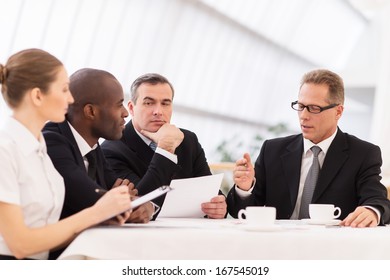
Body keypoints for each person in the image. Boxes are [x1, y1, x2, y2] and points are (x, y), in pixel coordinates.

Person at [0, 49, 132, 260]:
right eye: (64, 90)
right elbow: (21, 245)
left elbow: (47, 236)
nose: (70, 99)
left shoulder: (39, 149)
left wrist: (101, 219)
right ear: (37, 95)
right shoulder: (5, 150)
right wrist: (95, 213)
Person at [228, 69, 390, 227]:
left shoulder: (363, 154)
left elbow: (377, 200)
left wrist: (371, 211)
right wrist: (244, 188)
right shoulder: (272, 150)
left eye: (314, 108)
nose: (304, 116)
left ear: (338, 111)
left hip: (331, 247)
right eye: (300, 106)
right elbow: (239, 212)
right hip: (277, 244)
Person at [42, 68, 155, 259]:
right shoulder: (52, 141)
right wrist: (116, 200)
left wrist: (147, 206)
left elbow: (123, 194)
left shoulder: (93, 146)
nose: (126, 113)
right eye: (119, 105)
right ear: (90, 111)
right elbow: (96, 200)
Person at [102, 73, 227, 219]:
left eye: (165, 103)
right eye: (149, 103)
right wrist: (166, 148)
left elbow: (210, 191)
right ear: (131, 108)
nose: (158, 112)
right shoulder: (111, 150)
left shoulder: (188, 140)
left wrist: (218, 206)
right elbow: (140, 205)